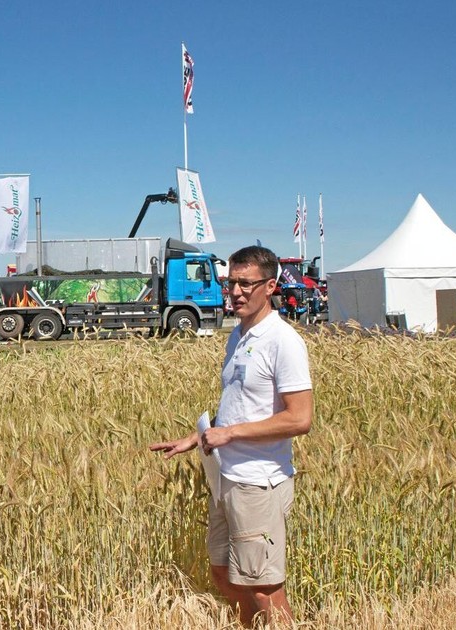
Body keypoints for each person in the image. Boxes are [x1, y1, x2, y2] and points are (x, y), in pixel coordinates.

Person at [150, 245, 313, 628]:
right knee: (224, 574)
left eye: (245, 284)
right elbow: (239, 404)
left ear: (270, 286)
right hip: (225, 477)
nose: (235, 292)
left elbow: (300, 418)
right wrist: (198, 437)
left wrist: (231, 434)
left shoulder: (283, 341)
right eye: (230, 283)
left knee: (264, 588)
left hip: (258, 482)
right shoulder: (238, 335)